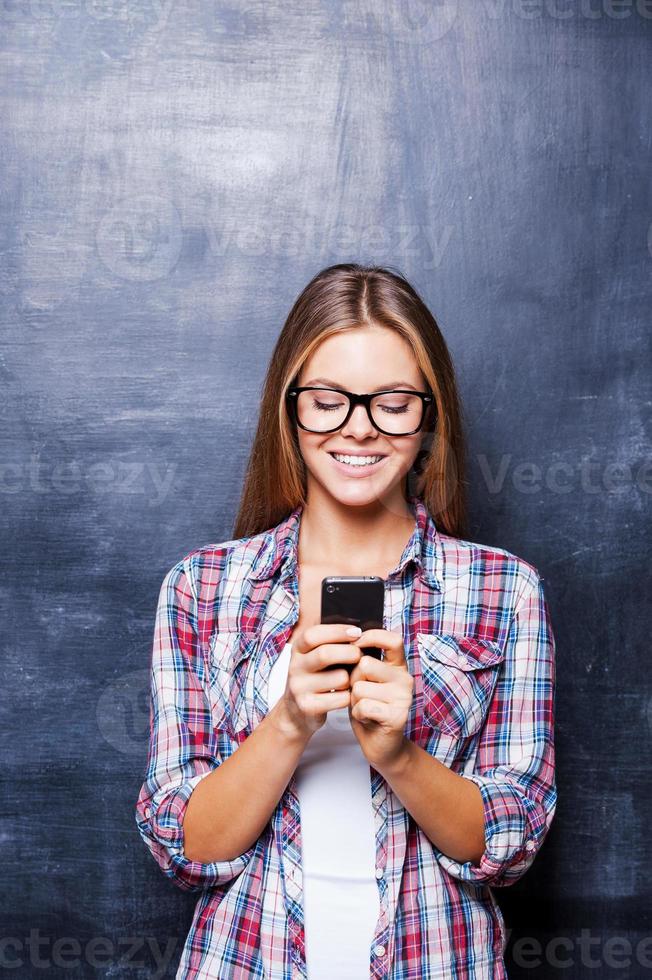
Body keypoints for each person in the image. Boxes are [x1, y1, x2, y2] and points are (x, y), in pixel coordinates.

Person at [135, 263, 557, 980]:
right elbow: (186, 848)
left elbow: (509, 845)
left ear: (429, 414)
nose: (358, 429)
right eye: (328, 401)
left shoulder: (503, 590)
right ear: (290, 408)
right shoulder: (203, 589)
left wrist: (398, 752)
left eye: (392, 402)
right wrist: (290, 721)